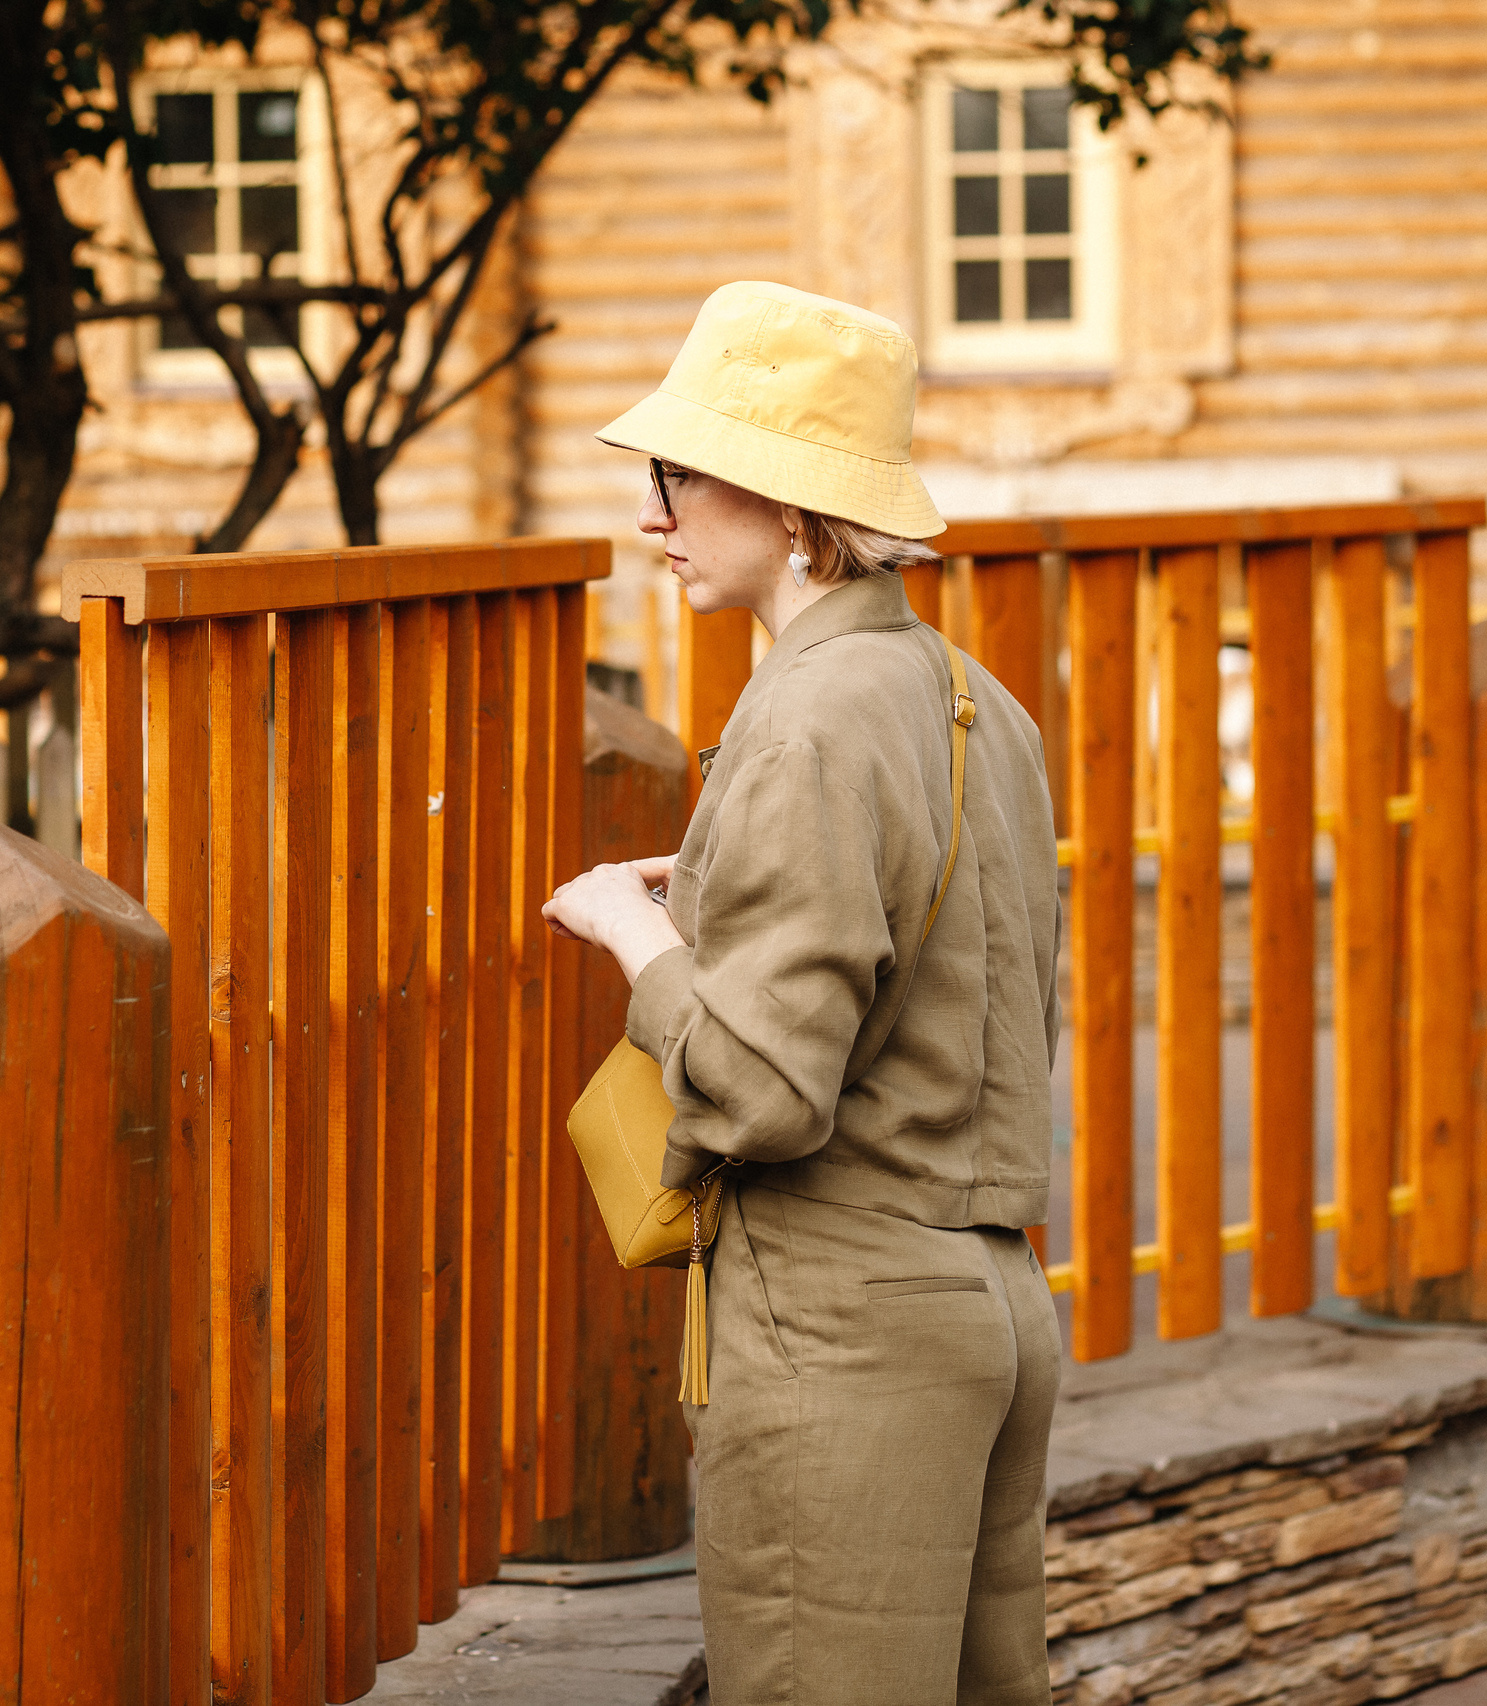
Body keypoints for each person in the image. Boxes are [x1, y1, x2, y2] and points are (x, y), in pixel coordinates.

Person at [542, 282, 1062, 1706]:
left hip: (842, 1328)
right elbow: (973, 975)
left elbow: (765, 1096)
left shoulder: (801, 721)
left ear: (785, 502)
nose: (650, 515)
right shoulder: (970, 696)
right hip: (993, 1302)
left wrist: (629, 934)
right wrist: (721, 884)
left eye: (675, 476)